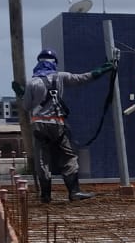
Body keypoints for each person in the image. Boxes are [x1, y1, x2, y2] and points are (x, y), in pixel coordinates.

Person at [15, 48, 115, 203]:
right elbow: (82, 78)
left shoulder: (32, 82)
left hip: (39, 125)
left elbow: (27, 106)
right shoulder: (61, 77)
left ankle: (45, 195)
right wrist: (102, 70)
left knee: (42, 159)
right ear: (54, 63)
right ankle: (74, 192)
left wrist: (22, 93)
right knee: (68, 156)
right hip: (58, 124)